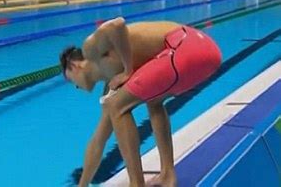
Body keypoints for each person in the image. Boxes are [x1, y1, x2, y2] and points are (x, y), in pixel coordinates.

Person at [60, 18, 222, 187]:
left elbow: (117, 24)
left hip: (187, 45)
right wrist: (82, 185)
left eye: (70, 81)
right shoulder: (111, 84)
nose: (76, 87)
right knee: (153, 102)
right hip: (200, 50)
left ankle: (136, 184)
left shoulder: (90, 50)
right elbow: (98, 140)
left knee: (118, 106)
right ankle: (168, 175)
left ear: (74, 65)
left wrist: (128, 70)